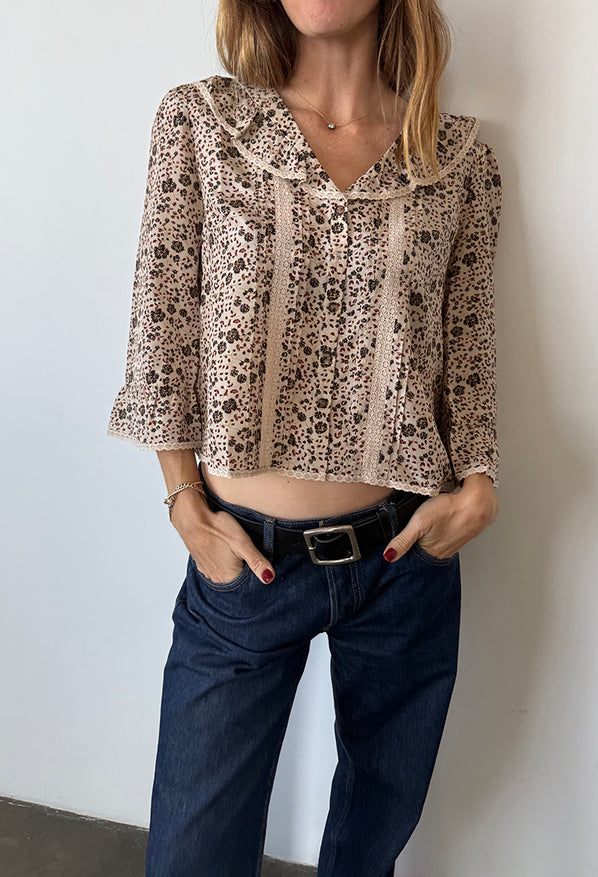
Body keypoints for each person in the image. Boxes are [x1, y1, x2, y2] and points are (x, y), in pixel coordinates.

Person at [107, 0, 502, 873]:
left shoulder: (457, 156)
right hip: (243, 562)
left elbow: (466, 341)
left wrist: (477, 480)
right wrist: (183, 499)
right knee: (193, 854)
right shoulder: (203, 121)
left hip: (405, 562)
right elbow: (162, 323)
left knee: (367, 850)